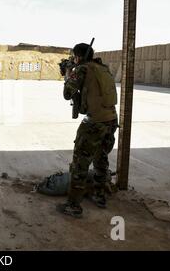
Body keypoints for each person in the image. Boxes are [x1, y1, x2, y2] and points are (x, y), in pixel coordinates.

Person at [57, 43, 118, 218]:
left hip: (95, 122)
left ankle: (73, 206)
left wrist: (68, 73)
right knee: (101, 158)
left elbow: (67, 94)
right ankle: (100, 195)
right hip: (111, 120)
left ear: (78, 56)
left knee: (80, 163)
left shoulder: (82, 69)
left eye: (74, 57)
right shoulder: (102, 68)